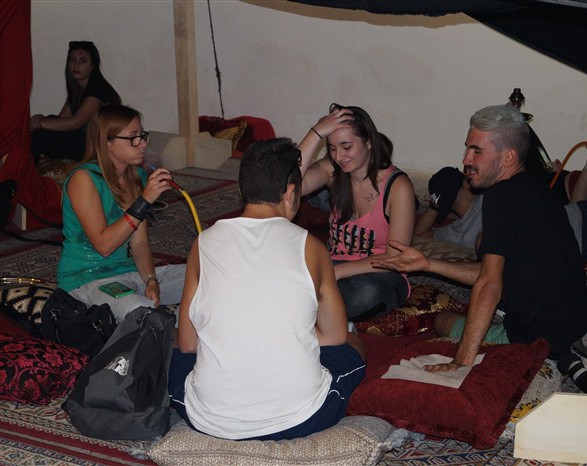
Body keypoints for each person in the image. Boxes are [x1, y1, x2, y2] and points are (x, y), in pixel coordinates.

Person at [372, 104, 587, 370]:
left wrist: (462, 360)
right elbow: (496, 270)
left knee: (442, 321)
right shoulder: (540, 192)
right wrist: (427, 264)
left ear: (508, 156)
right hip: (584, 324)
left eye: (477, 151)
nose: (466, 160)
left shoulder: (499, 197)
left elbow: (490, 282)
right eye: (467, 149)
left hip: (540, 341)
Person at [169, 138, 366, 441]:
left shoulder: (203, 243)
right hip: (300, 418)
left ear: (242, 190)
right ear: (290, 192)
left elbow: (188, 344)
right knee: (351, 345)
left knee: (176, 353)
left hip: (209, 418)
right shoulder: (311, 247)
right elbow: (334, 336)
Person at [57, 104, 185, 321]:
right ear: (107, 142)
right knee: (140, 310)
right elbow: (104, 245)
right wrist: (143, 201)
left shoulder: (136, 177)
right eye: (133, 137)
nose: (143, 143)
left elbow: (139, 242)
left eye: (142, 135)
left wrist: (151, 281)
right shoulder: (84, 179)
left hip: (131, 275)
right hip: (88, 279)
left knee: (209, 276)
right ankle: (166, 334)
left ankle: (184, 331)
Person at [296, 104, 416, 322]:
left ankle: (308, 314)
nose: (339, 156)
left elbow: (395, 257)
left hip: (379, 273)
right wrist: (315, 133)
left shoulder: (398, 187)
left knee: (365, 293)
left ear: (368, 142)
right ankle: (314, 313)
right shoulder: (333, 170)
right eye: (332, 148)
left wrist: (335, 273)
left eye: (346, 147)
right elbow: (291, 187)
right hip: (333, 266)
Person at [420, 142, 587, 263]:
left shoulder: (455, 233)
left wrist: (435, 205)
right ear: (465, 183)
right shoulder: (499, 189)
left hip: (583, 234)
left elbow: (416, 236)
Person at [30, 41, 121, 164]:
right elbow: (61, 120)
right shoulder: (77, 90)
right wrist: (39, 120)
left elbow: (75, 123)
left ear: (93, 66)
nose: (76, 65)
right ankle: (24, 167)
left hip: (98, 147)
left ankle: (24, 170)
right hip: (83, 142)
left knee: (42, 132)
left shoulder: (98, 91)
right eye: (72, 60)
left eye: (83, 61)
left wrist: (40, 123)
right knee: (43, 130)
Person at [414, 166, 484, 250]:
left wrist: (434, 207)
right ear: (465, 184)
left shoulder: (457, 232)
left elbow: (418, 237)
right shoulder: (491, 197)